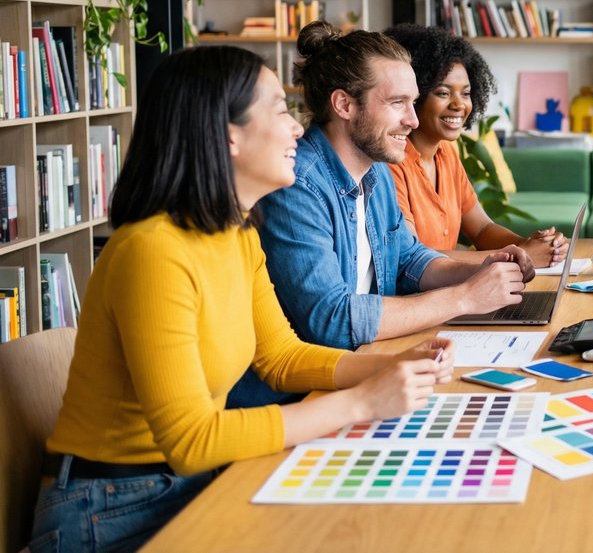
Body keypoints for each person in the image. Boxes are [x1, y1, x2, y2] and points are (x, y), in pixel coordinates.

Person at [28, 47, 455, 553]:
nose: (298, 129)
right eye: (279, 110)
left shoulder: (236, 234)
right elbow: (191, 442)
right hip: (115, 508)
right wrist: (363, 401)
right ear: (229, 134)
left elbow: (281, 358)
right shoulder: (153, 250)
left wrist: (390, 368)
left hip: (189, 480)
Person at [229, 22, 527, 408]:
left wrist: (482, 270)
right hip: (301, 396)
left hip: (364, 373)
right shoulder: (297, 184)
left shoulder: (377, 172)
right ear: (344, 105)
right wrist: (464, 298)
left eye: (412, 101)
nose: (414, 120)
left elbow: (408, 258)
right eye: (397, 103)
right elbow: (331, 321)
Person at [383, 24, 568, 267]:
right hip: (419, 298)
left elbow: (481, 229)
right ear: (414, 95)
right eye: (443, 93)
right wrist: (518, 256)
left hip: (455, 291)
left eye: (466, 93)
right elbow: (413, 257)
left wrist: (529, 246)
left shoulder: (446, 153)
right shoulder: (391, 162)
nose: (459, 105)